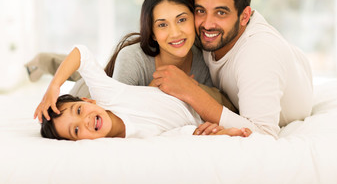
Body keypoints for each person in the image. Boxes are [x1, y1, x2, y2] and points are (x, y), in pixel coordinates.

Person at [33, 0, 236, 127]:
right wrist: (153, 91)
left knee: (97, 68)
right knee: (85, 73)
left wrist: (188, 88)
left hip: (116, 82)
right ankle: (43, 61)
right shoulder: (132, 58)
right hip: (95, 93)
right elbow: (119, 111)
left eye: (182, 20)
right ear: (153, 33)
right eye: (162, 25)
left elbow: (217, 108)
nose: (175, 33)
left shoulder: (205, 57)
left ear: (194, 19)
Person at [152, 0, 313, 138]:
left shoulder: (259, 54)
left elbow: (263, 134)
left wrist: (192, 92)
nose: (207, 24)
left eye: (221, 13)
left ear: (244, 17)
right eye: (201, 11)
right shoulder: (204, 33)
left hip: (292, 76)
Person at [38, 45, 251, 140]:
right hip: (196, 113)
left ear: (88, 102)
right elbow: (186, 134)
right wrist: (221, 133)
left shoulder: (105, 97)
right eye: (75, 131)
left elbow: (81, 53)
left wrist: (54, 86)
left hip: (193, 91)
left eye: (79, 111)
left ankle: (49, 64)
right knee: (83, 82)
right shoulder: (135, 140)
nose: (83, 121)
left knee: (83, 81)